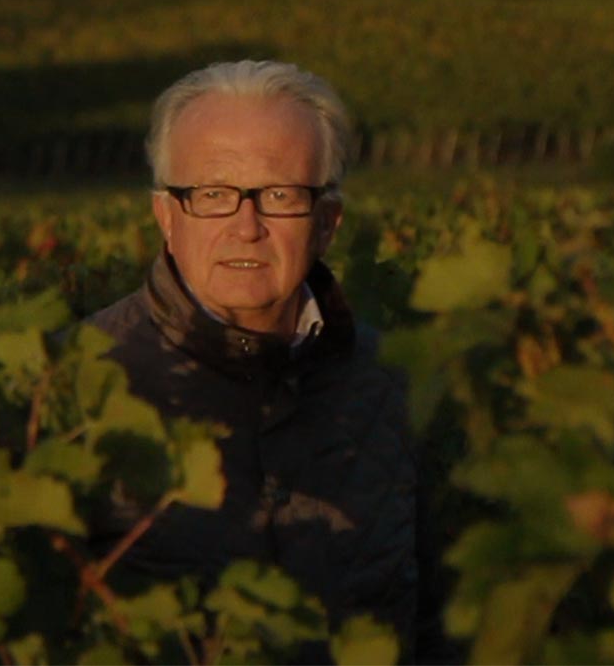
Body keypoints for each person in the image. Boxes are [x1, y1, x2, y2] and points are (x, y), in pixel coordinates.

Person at [85, 61, 419, 654]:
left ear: (326, 223)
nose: (247, 225)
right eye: (213, 195)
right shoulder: (77, 385)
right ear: (166, 216)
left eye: (280, 195)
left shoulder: (396, 386)